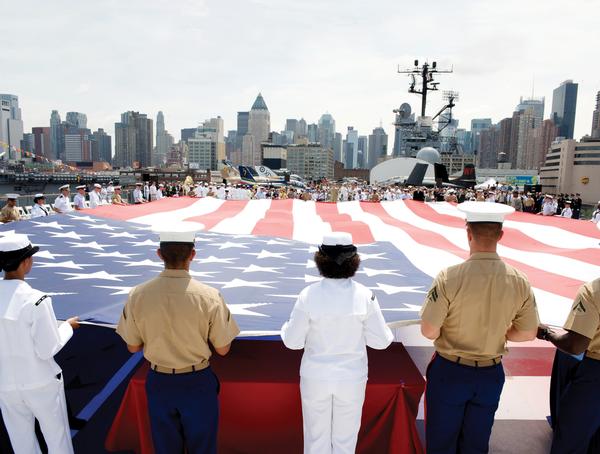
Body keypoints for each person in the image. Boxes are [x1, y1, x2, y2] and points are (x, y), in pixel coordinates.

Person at [420, 201, 539, 454]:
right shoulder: (519, 280)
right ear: (501, 235)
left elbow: (429, 330)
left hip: (450, 371)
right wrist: (500, 333)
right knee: (476, 442)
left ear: (468, 234)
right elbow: (528, 333)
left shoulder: (449, 277)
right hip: (490, 373)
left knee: (441, 442)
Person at [116, 222, 240, 454]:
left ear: (159, 254)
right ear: (192, 255)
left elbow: (132, 346)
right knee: (202, 447)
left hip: (159, 381)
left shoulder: (137, 295)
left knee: (165, 447)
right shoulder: (210, 296)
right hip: (197, 382)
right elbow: (223, 349)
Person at [281, 232, 393, 454]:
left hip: (315, 376)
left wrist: (285, 328)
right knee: (345, 442)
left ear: (320, 260)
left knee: (316, 441)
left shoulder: (308, 295)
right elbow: (381, 342)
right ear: (354, 261)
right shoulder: (365, 295)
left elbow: (293, 342)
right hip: (351, 377)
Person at [0, 234, 79, 453]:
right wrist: (66, 328)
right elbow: (47, 349)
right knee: (57, 438)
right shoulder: (37, 299)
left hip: (5, 384)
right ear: (26, 262)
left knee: (21, 442)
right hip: (41, 382)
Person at [537, 270, 600, 452]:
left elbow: (575, 345)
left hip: (595, 376)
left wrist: (547, 334)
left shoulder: (593, 291)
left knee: (572, 437)